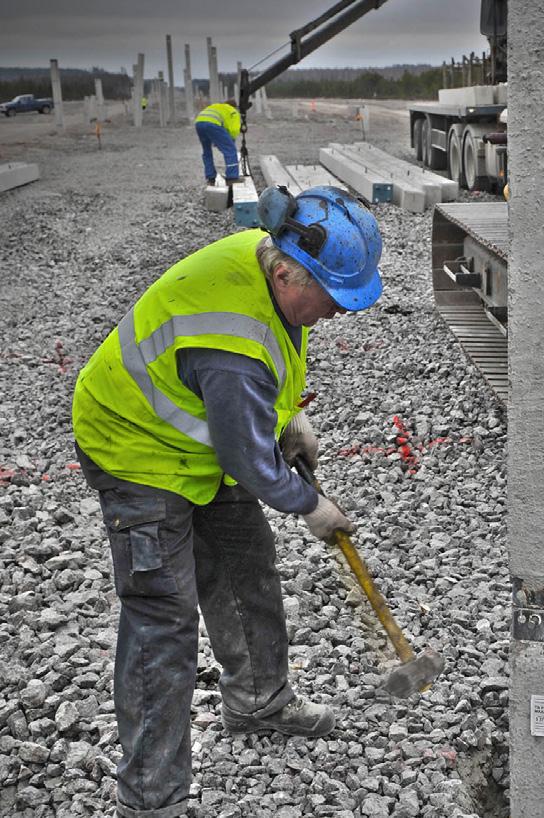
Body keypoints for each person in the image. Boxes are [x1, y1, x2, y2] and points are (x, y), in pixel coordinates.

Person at [71, 185, 383, 818]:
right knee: (163, 618)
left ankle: (260, 703)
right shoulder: (232, 340)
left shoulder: (266, 260)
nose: (338, 313)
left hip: (198, 443)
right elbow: (246, 454)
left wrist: (286, 423)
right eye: (332, 298)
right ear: (288, 271)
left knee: (246, 568)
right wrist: (311, 506)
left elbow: (258, 391)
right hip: (135, 449)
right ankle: (151, 797)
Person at [194, 99, 242, 185]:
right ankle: (232, 177)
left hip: (199, 123)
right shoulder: (233, 111)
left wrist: (219, 140)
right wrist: (230, 142)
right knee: (230, 151)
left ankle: (210, 177)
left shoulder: (217, 106)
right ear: (235, 107)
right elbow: (234, 130)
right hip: (213, 124)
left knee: (206, 151)